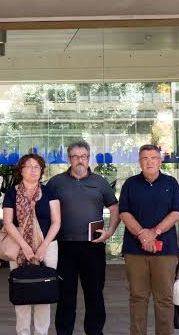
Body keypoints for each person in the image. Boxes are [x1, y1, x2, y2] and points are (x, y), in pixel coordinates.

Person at [49, 140, 119, 335]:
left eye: (83, 156)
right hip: (64, 246)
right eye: (75, 157)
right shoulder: (56, 182)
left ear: (89, 158)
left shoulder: (100, 182)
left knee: (94, 294)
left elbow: (115, 208)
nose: (80, 160)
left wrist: (110, 232)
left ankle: (94, 331)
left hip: (93, 246)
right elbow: (45, 210)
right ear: (69, 159)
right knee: (65, 295)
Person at [117, 145, 179, 335]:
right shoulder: (130, 184)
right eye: (145, 158)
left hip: (165, 251)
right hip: (135, 250)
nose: (149, 162)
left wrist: (154, 232)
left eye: (153, 158)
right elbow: (124, 212)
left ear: (160, 161)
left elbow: (176, 212)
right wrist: (142, 235)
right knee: (138, 297)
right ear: (139, 162)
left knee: (164, 299)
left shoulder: (171, 183)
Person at [2, 153, 62, 335]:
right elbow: (8, 223)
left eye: (37, 167)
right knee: (22, 291)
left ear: (41, 170)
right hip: (19, 247)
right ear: (21, 170)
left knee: (44, 291)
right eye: (28, 166)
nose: (33, 170)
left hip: (48, 247)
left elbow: (56, 222)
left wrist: (43, 246)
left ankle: (41, 333)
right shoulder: (12, 193)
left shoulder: (49, 192)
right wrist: (26, 247)